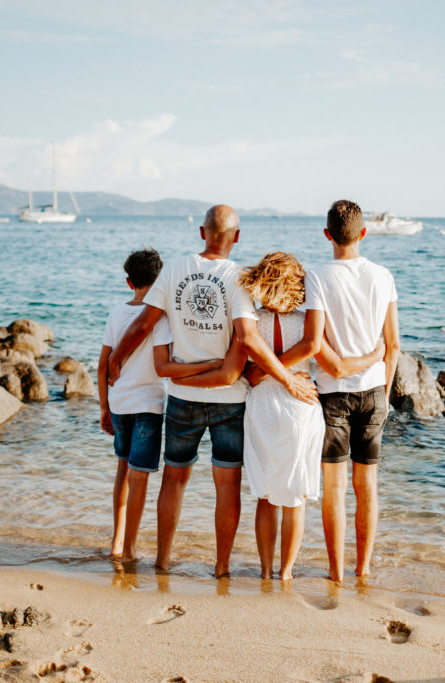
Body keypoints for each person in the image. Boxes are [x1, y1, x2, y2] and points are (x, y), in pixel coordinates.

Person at [106, 205, 317, 577]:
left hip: (184, 398)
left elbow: (143, 325)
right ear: (236, 237)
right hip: (229, 400)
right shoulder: (237, 278)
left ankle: (163, 558)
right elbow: (249, 338)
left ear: (203, 232)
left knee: (174, 479)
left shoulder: (173, 269)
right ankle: (221, 566)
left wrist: (116, 360)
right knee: (227, 484)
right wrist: (287, 379)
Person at [236, 252, 385, 580]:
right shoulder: (307, 322)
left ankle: (264, 571)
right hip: (300, 404)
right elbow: (328, 358)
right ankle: (287, 572)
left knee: (265, 497)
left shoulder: (251, 320)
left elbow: (247, 375)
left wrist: (269, 369)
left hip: (261, 406)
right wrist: (377, 354)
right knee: (294, 499)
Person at [98, 248, 221, 562]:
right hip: (148, 406)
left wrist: (103, 407)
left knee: (122, 470)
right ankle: (129, 550)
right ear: (161, 280)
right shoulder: (162, 318)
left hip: (120, 403)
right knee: (139, 477)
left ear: (129, 282)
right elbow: (163, 362)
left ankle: (116, 541)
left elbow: (102, 365)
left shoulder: (115, 313)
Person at [307, 199, 401, 583]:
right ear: (363, 233)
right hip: (374, 391)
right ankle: (363, 569)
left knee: (334, 489)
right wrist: (386, 397)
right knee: (368, 487)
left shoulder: (317, 277)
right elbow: (393, 346)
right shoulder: (383, 276)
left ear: (328, 234)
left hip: (333, 395)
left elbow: (315, 344)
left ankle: (336, 572)